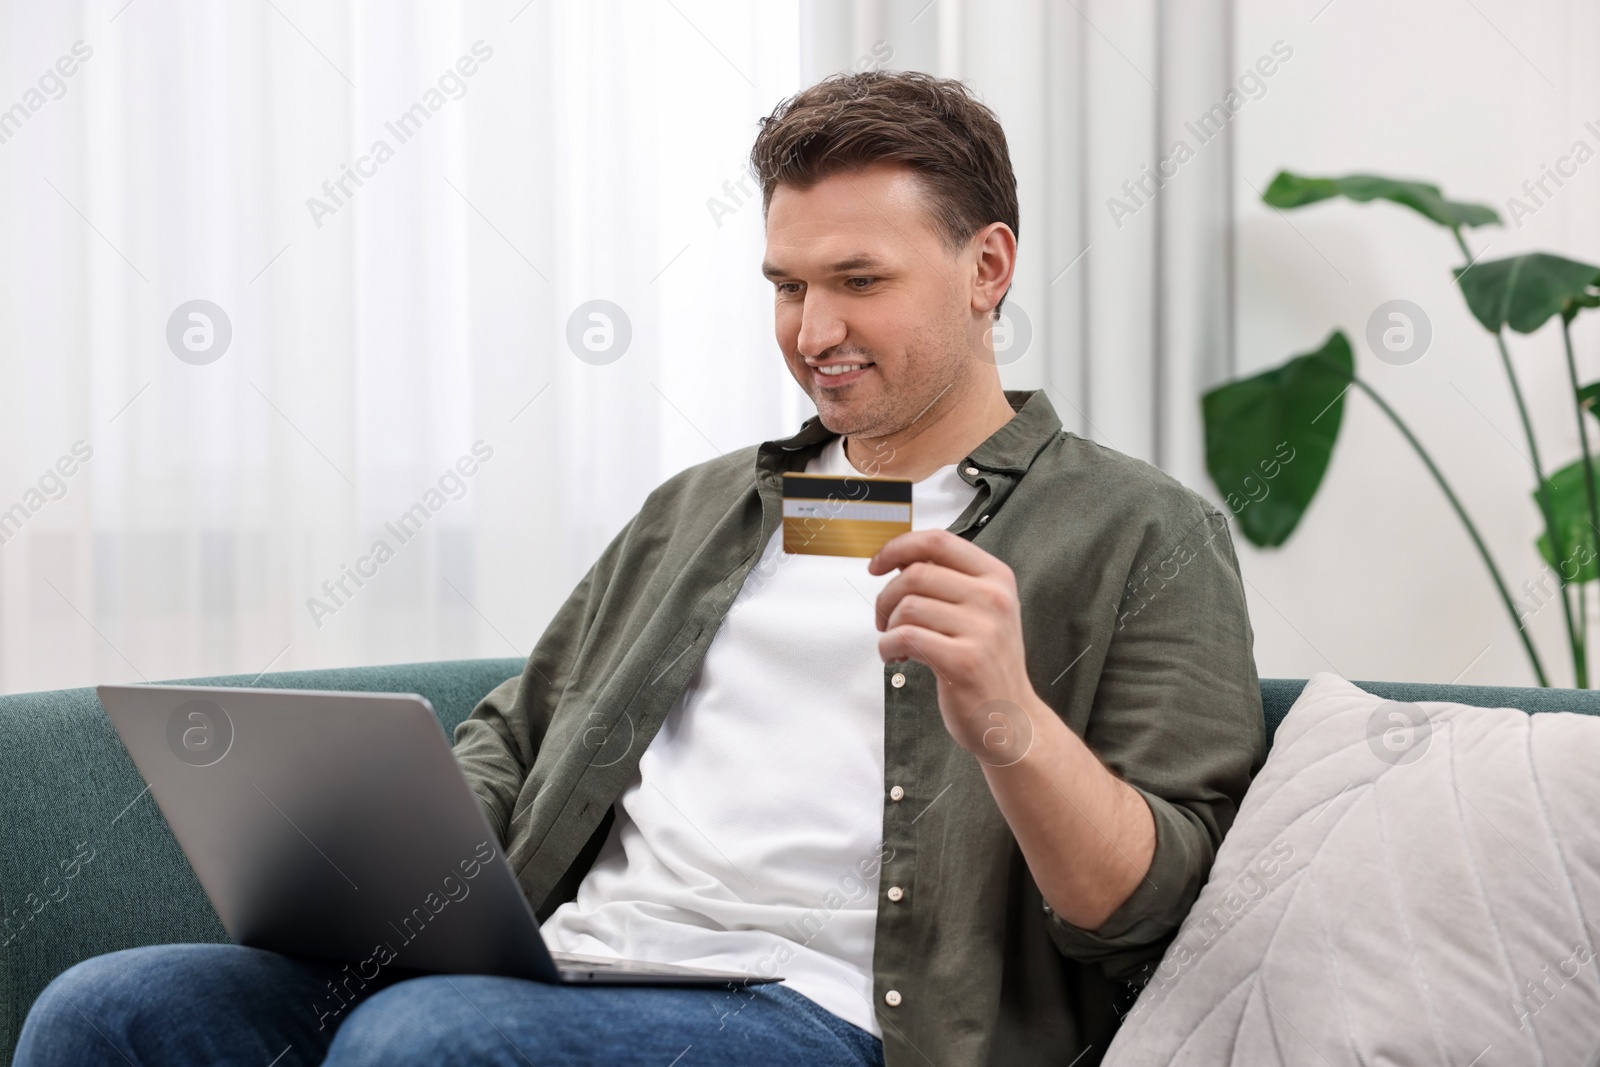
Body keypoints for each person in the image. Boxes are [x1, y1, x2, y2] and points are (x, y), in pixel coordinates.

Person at [16, 69, 1263, 1067]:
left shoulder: (1143, 533)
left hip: (831, 1013)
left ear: (987, 268)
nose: (814, 333)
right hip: (571, 967)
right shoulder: (708, 505)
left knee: (429, 1040)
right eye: (786, 285)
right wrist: (402, 863)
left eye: (858, 282)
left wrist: (1010, 722)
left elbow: (1151, 905)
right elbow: (517, 730)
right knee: (112, 1009)